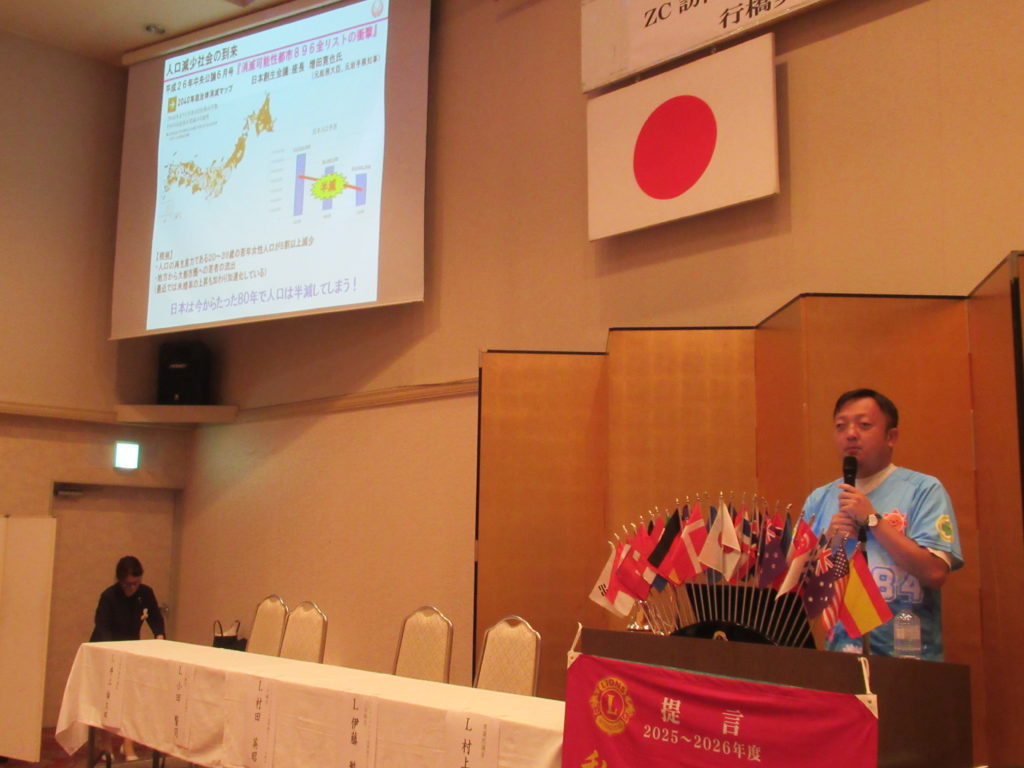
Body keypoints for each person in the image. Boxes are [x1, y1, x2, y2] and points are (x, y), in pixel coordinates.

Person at [802, 389, 963, 660]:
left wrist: (873, 521)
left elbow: (935, 573)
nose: (850, 434)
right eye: (841, 426)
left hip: (908, 659)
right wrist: (829, 543)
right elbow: (799, 589)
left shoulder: (923, 490)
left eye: (864, 425)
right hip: (840, 656)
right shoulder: (820, 499)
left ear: (891, 437)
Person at [90, 556, 166, 762]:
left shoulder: (145, 593)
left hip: (131, 647)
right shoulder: (109, 596)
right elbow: (102, 626)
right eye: (127, 584)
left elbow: (155, 618)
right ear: (119, 580)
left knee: (130, 698)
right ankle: (105, 743)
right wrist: (112, 652)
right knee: (109, 699)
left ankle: (128, 743)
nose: (132, 588)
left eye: (135, 583)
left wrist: (159, 636)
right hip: (107, 647)